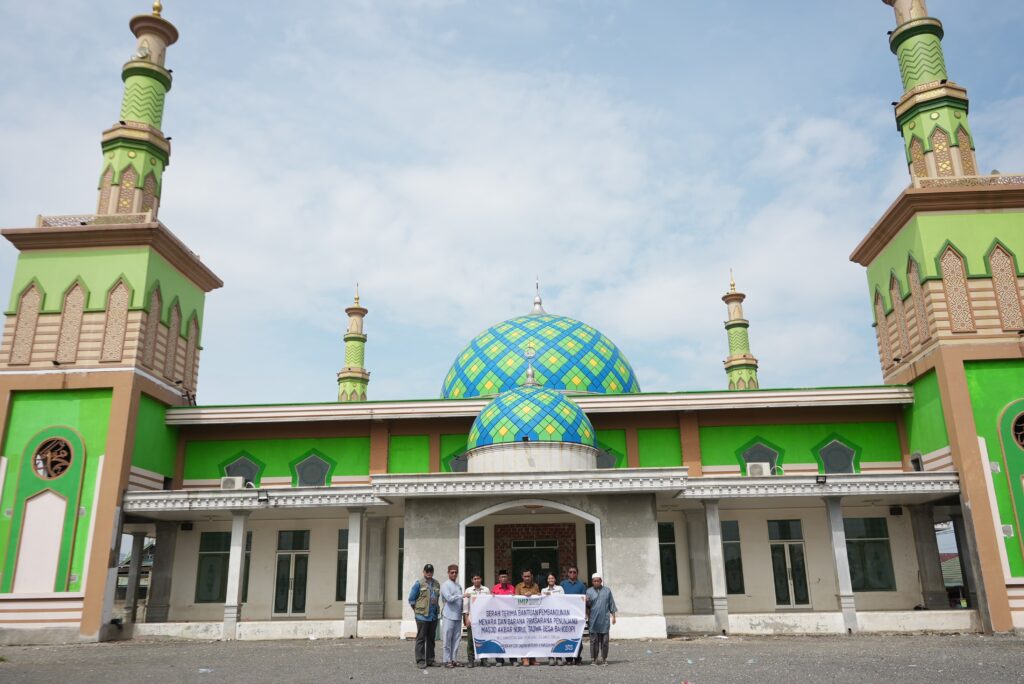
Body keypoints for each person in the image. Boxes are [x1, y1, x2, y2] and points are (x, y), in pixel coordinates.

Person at [408, 563, 441, 669]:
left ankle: (430, 660)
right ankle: (420, 660)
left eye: (431, 571)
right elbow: (411, 599)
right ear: (424, 572)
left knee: (431, 639)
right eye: (427, 571)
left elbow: (437, 598)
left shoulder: (436, 584)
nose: (429, 573)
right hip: (422, 616)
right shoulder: (418, 583)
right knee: (421, 639)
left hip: (433, 616)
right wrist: (417, 611)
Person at [585, 572, 617, 666]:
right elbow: (587, 606)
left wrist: (614, 617)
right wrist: (587, 602)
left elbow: (611, 604)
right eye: (594, 581)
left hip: (604, 620)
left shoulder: (607, 591)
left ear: (601, 581)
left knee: (605, 641)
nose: (596, 582)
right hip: (593, 619)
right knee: (593, 641)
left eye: (598, 581)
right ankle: (594, 659)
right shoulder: (589, 591)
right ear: (592, 582)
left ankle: (604, 659)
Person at [560, 567, 587, 665]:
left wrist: (584, 613)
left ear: (577, 574)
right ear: (567, 573)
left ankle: (577, 658)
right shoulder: (562, 585)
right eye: (570, 572)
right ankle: (568, 659)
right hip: (566, 615)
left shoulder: (581, 585)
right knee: (567, 637)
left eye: (574, 572)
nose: (572, 574)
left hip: (577, 616)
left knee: (578, 638)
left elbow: (583, 601)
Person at [463, 572, 491, 668]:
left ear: (481, 579)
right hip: (472, 618)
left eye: (478, 578)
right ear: (472, 580)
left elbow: (490, 604)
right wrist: (466, 619)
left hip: (483, 619)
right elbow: (465, 607)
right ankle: (471, 660)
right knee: (471, 640)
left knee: (484, 640)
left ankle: (484, 659)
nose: (476, 580)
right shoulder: (469, 590)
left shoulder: (486, 590)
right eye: (475, 579)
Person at [515, 569, 541, 666]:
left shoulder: (535, 586)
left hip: (533, 617)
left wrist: (537, 595)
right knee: (523, 638)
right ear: (522, 577)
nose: (527, 578)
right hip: (522, 617)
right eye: (525, 576)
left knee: (533, 638)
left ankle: (532, 658)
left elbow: (539, 600)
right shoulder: (518, 587)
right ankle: (524, 658)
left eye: (528, 576)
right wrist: (524, 596)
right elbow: (515, 600)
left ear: (532, 576)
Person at [440, 564, 464, 669]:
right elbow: (449, 598)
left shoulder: (459, 586)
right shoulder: (445, 585)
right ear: (448, 573)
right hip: (448, 615)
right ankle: (446, 660)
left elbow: (461, 601)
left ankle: (454, 659)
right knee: (447, 639)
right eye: (452, 572)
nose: (454, 574)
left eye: (456, 572)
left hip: (458, 616)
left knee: (456, 639)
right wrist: (461, 596)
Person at [491, 570, 515, 666]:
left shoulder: (512, 588)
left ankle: (513, 659)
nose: (504, 578)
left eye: (505, 577)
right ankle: (499, 660)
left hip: (510, 618)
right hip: (499, 618)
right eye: (502, 577)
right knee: (499, 638)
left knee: (511, 639)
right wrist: (491, 597)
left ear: (508, 578)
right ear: (499, 578)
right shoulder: (495, 589)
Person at [541, 573, 565, 666]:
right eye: (549, 578)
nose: (551, 579)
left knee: (558, 637)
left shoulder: (560, 588)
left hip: (558, 616)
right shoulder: (543, 590)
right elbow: (542, 602)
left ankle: (559, 657)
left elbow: (563, 599)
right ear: (547, 580)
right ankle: (551, 657)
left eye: (552, 578)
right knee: (550, 638)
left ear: (555, 579)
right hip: (547, 617)